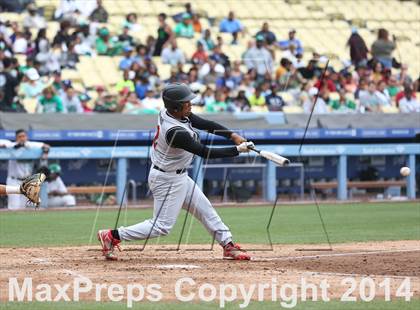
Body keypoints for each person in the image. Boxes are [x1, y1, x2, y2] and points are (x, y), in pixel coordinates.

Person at [97, 83, 254, 261]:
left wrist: (231, 135)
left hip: (177, 176)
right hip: (167, 179)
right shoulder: (174, 132)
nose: (190, 104)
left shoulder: (172, 113)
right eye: (186, 102)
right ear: (176, 107)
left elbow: (204, 123)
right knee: (162, 226)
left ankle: (228, 245)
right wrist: (238, 150)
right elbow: (205, 152)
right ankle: (112, 235)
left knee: (204, 209)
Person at [5, 129, 49, 210]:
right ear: (16, 138)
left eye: (23, 136)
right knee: (14, 207)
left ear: (27, 137)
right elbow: (3, 144)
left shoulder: (30, 145)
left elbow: (46, 146)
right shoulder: (11, 145)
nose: (22, 138)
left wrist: (45, 155)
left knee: (22, 207)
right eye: (19, 137)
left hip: (26, 181)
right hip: (14, 180)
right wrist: (12, 145)